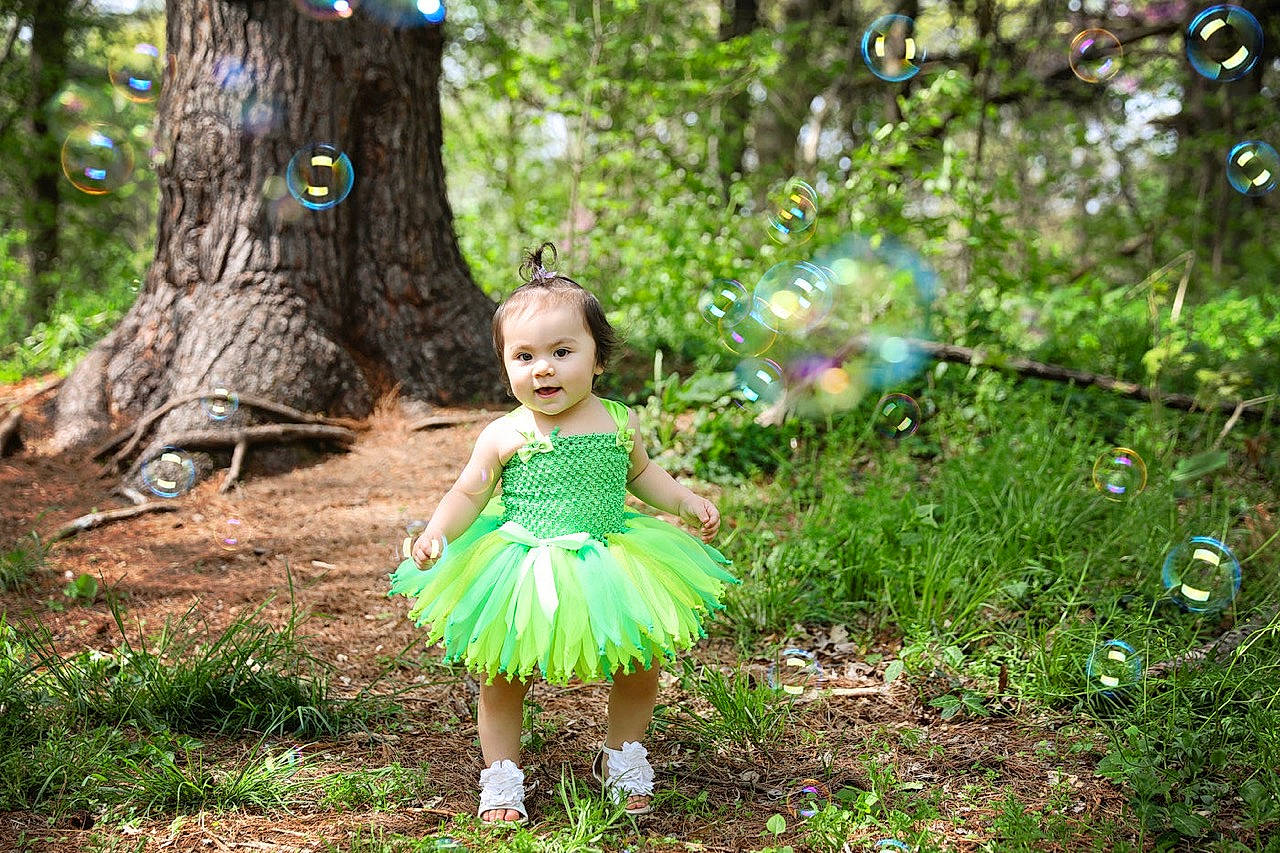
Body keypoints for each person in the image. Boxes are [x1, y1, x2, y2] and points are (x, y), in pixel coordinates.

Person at [388, 242, 739, 824]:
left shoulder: (618, 419)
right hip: (523, 565)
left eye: (561, 351)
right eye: (523, 356)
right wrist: (437, 532)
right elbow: (469, 492)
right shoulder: (504, 433)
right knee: (504, 673)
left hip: (611, 559)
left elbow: (643, 474)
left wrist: (683, 499)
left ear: (598, 359)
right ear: (505, 366)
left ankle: (621, 757)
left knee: (639, 661)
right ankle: (501, 776)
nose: (542, 367)